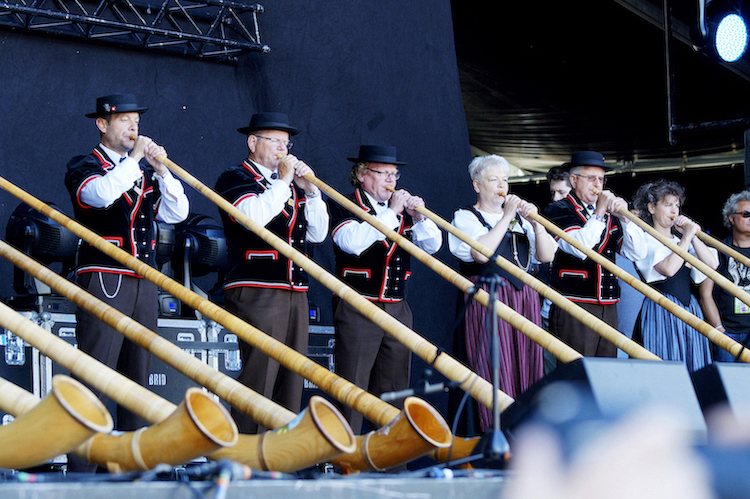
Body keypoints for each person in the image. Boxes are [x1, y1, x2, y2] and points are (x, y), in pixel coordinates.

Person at [64, 93, 190, 468]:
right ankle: (84, 468)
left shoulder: (144, 171)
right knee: (95, 374)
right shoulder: (84, 164)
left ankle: (129, 466)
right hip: (105, 277)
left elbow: (177, 212)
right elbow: (97, 197)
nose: (134, 127)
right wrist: (135, 161)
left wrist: (163, 171)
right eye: (124, 120)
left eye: (136, 120)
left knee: (138, 377)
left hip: (143, 281)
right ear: (102, 124)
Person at [215, 112, 328, 433]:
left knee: (292, 378)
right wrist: (283, 181)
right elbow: (252, 218)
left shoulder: (289, 186)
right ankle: (245, 454)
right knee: (259, 373)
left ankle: (279, 457)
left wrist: (312, 192)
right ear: (253, 143)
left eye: (286, 142)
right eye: (275, 141)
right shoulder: (235, 178)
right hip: (257, 286)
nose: (283, 148)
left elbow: (318, 234)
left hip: (295, 289)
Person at [327, 145, 441, 433]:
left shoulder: (400, 211)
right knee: (352, 385)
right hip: (358, 305)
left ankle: (389, 460)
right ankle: (346, 458)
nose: (392, 180)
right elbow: (351, 244)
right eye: (384, 173)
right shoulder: (344, 203)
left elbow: (433, 246)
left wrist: (419, 217)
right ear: (363, 174)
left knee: (394, 388)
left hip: (397, 306)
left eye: (395, 173)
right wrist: (391, 212)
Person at [448, 155, 556, 430]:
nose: (501, 186)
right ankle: (494, 432)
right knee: (495, 364)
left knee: (528, 363)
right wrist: (506, 216)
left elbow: (546, 256)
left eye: (505, 180)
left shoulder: (521, 220)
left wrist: (537, 224)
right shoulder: (465, 216)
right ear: (477, 185)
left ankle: (526, 429)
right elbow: (480, 254)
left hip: (524, 298)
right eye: (493, 180)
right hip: (489, 296)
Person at [543, 151, 647, 357]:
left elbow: (636, 253)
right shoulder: (558, 209)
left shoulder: (608, 215)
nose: (597, 185)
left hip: (608, 305)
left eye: (601, 179)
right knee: (577, 371)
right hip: (574, 304)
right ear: (573, 180)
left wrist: (626, 220)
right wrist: (599, 212)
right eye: (591, 178)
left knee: (605, 371)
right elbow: (579, 248)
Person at [631, 179, 715, 371]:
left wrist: (691, 237)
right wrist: (686, 237)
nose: (674, 211)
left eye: (677, 205)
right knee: (665, 361)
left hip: (689, 307)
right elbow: (668, 269)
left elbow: (711, 265)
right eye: (668, 205)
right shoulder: (646, 238)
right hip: (662, 308)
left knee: (693, 364)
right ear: (652, 208)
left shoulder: (681, 240)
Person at [700, 190, 750, 362]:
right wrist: (719, 329)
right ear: (731, 218)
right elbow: (705, 294)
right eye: (746, 214)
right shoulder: (718, 250)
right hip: (728, 333)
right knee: (726, 384)